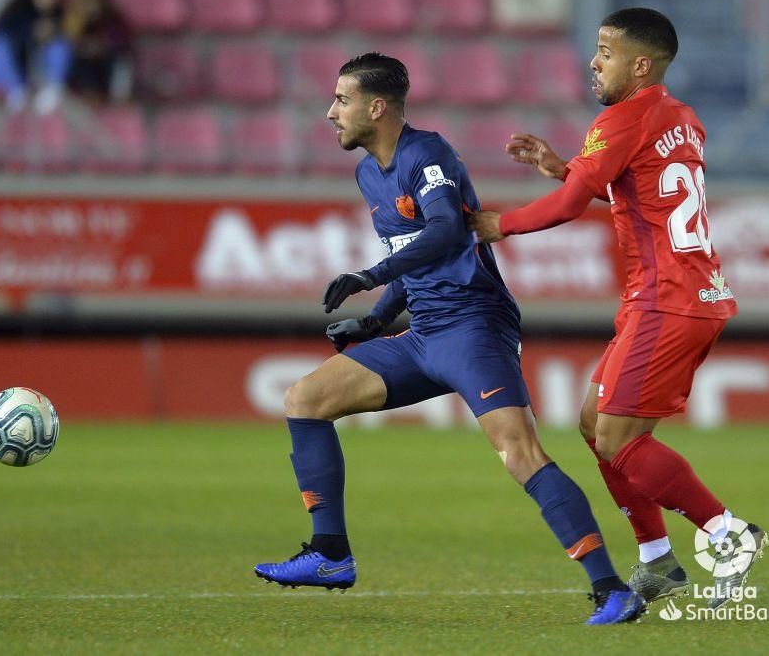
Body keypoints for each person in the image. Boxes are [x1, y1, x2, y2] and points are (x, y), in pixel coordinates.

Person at [254, 53, 646, 625]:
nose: (331, 112)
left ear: (376, 106)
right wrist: (374, 319)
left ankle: (611, 588)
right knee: (304, 401)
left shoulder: (426, 154)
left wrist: (369, 279)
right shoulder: (368, 173)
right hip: (422, 332)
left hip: (473, 326)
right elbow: (409, 260)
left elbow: (443, 232)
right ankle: (330, 554)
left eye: (342, 100)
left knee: (519, 453)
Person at [469, 8, 768, 609]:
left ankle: (730, 535)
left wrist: (494, 225)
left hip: (667, 301)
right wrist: (565, 168)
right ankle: (657, 558)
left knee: (618, 438)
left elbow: (566, 208)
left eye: (605, 51)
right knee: (592, 425)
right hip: (685, 295)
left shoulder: (621, 117)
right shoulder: (681, 118)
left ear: (640, 63)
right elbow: (643, 191)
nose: (593, 60)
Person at [0, 0, 71, 114]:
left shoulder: (59, 12)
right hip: (15, 62)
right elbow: (4, 32)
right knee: (0, 45)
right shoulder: (17, 7)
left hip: (39, 66)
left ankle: (52, 89)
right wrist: (31, 32)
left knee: (60, 46)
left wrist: (50, 33)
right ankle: (14, 89)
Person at [63, 0, 132, 105]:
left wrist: (102, 46)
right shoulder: (74, 20)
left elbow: (122, 41)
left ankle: (116, 97)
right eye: (85, 2)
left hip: (107, 64)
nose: (90, 6)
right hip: (83, 68)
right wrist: (82, 46)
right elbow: (69, 42)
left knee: (121, 61)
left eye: (93, 1)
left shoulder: (113, 19)